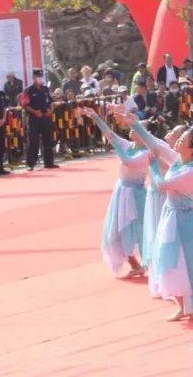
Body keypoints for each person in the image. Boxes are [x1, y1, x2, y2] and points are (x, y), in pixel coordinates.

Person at [109, 106, 193, 321]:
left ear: (192, 149)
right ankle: (184, 305)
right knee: (168, 260)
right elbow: (155, 144)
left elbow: (162, 185)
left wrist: (155, 169)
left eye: (182, 141)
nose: (176, 143)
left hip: (186, 221)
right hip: (170, 217)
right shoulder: (178, 161)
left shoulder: (191, 170)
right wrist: (135, 124)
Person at [120, 116, 187, 298]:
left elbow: (152, 142)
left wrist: (133, 122)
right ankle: (162, 280)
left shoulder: (174, 156)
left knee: (164, 239)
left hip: (165, 199)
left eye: (177, 133)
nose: (171, 133)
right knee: (155, 239)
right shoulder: (164, 150)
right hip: (154, 197)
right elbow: (152, 141)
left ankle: (174, 280)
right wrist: (131, 120)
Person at [80, 107, 149, 278]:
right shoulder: (130, 146)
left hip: (136, 194)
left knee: (142, 229)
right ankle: (135, 264)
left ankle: (153, 263)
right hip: (122, 192)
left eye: (137, 128)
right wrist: (96, 117)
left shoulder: (146, 152)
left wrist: (117, 144)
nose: (132, 130)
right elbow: (110, 135)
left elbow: (128, 161)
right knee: (117, 230)